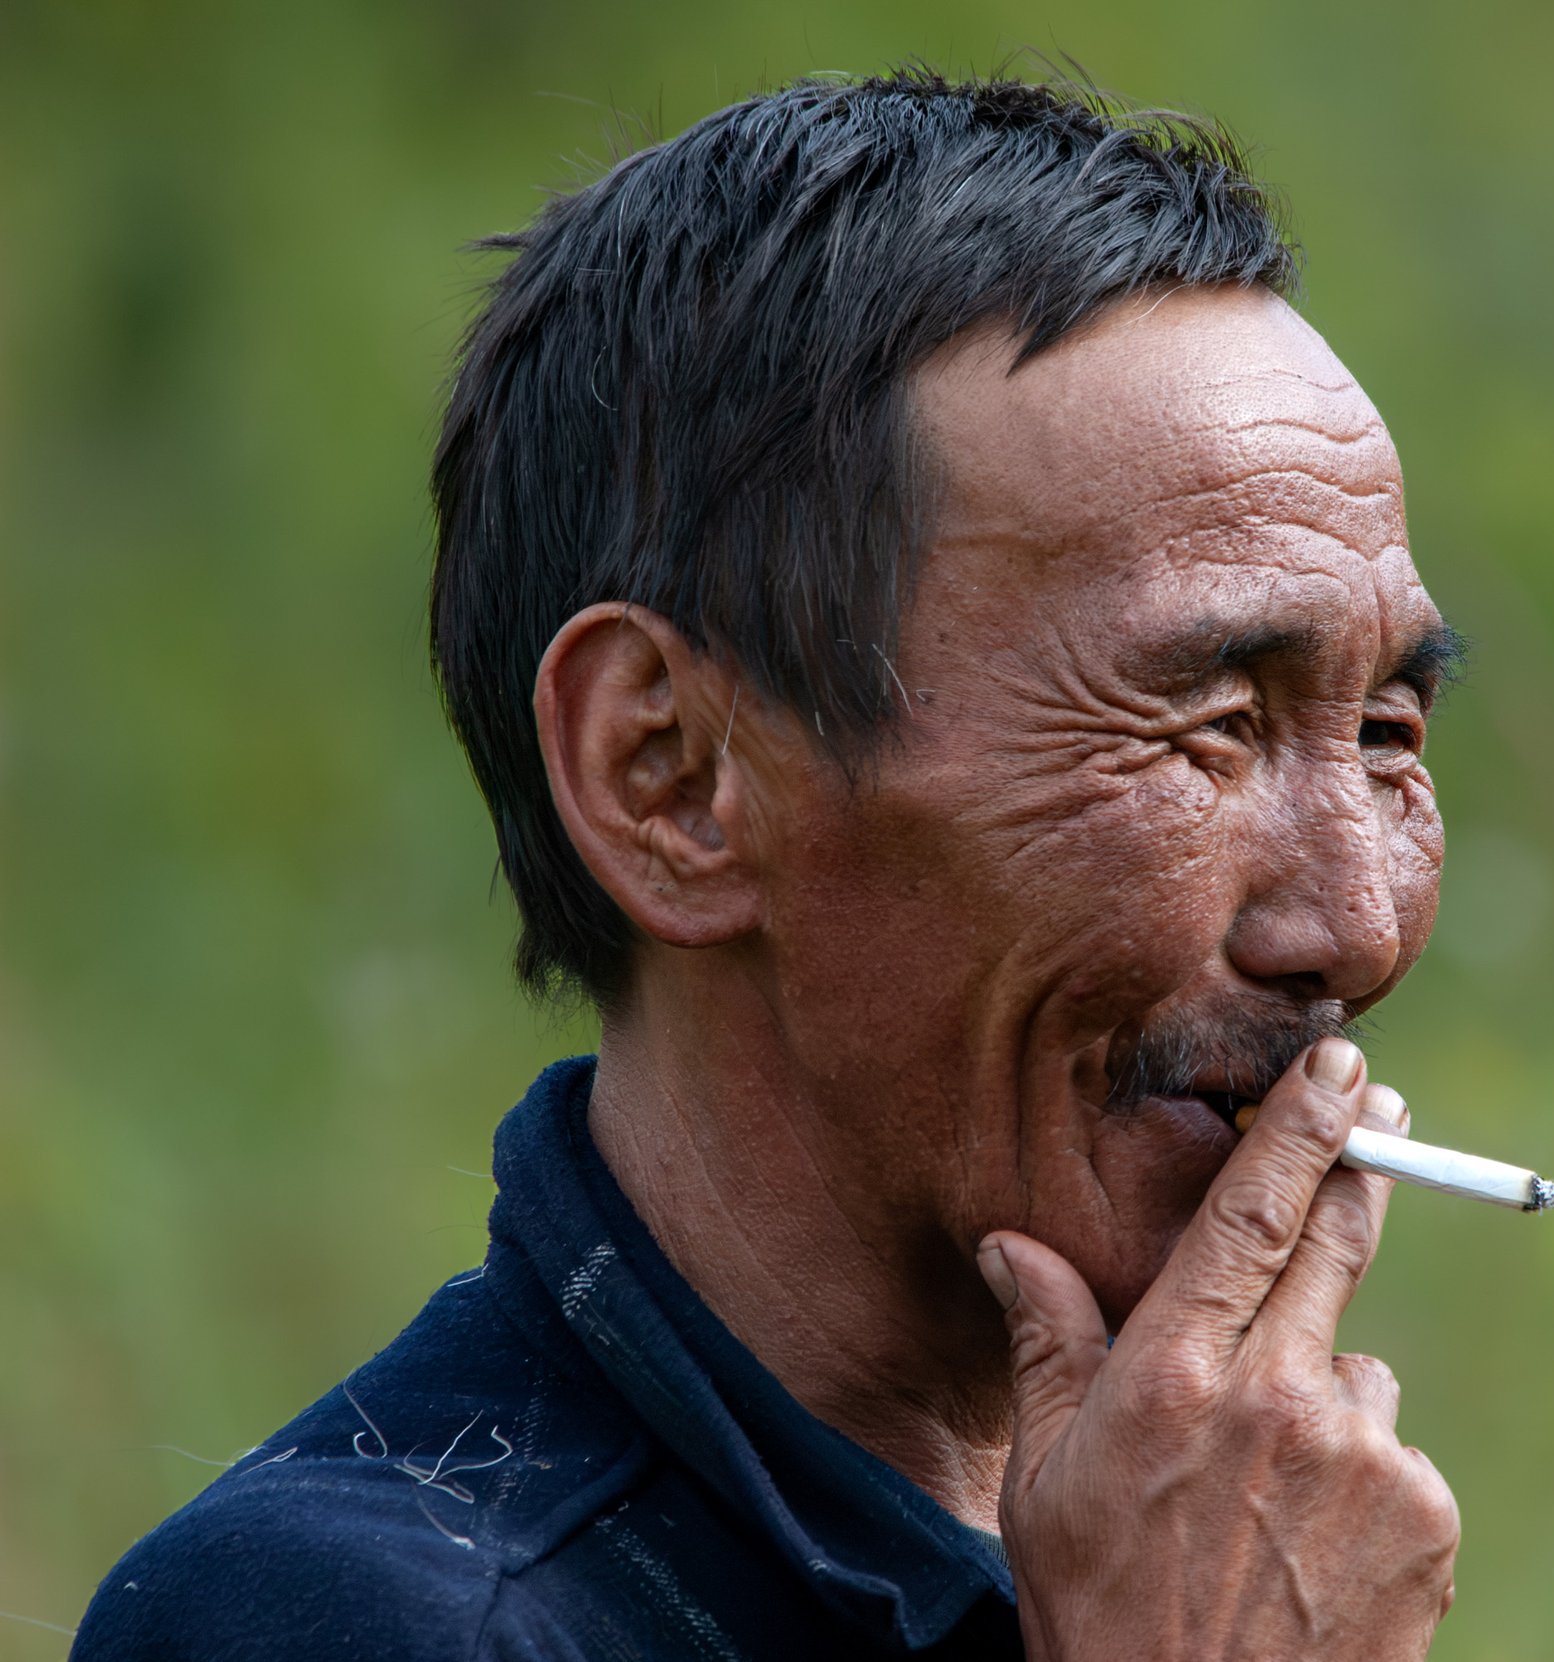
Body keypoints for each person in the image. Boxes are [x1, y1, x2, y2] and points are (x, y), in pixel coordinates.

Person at [73, 68, 1466, 1660]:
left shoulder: (1223, 1551)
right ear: (670, 776)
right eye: (1208, 727)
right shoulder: (361, 1623)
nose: (1357, 925)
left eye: (1386, 731)